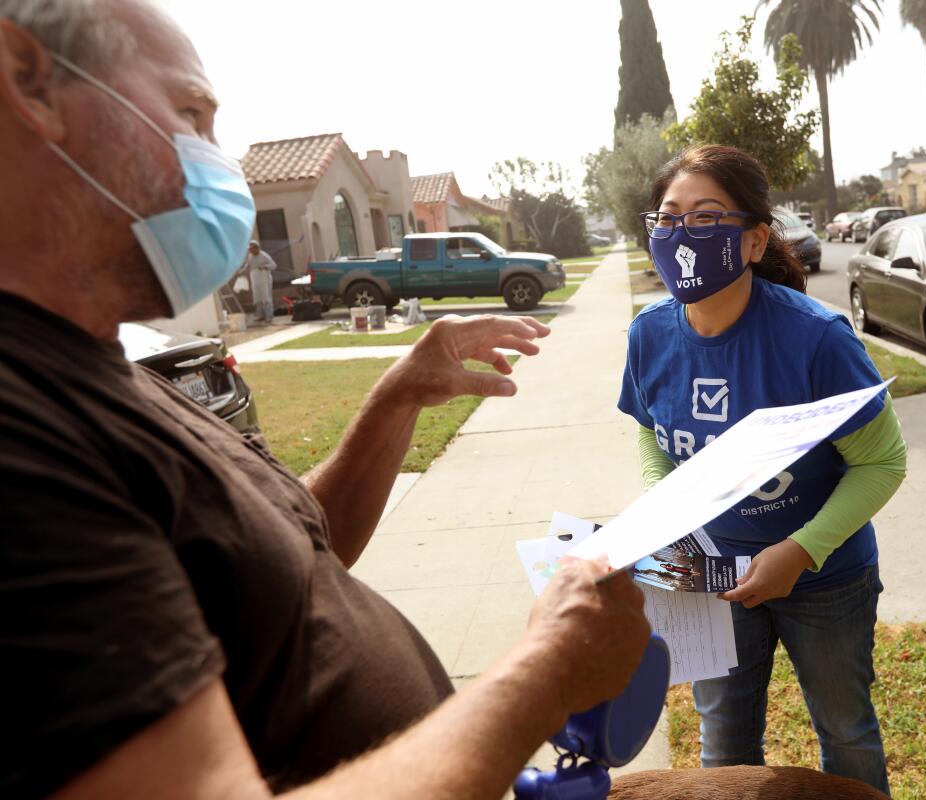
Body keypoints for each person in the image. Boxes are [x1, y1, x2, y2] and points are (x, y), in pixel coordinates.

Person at [0, 2, 651, 797]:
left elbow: (289, 556)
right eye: (190, 114)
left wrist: (397, 396)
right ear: (27, 79)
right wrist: (549, 672)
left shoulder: (101, 364)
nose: (220, 162)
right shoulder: (22, 427)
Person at [619, 145, 907, 795]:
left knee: (845, 730)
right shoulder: (649, 335)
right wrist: (667, 511)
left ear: (754, 241)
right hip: (711, 576)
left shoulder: (818, 339)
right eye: (668, 218)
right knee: (724, 742)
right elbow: (652, 436)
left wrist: (800, 551)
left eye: (706, 216)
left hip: (826, 576)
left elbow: (882, 462)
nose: (682, 234)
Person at [243, 239, 277, 323]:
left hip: (265, 280)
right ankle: (260, 315)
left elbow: (273, 265)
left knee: (266, 297)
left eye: (252, 249)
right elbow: (247, 265)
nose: (250, 251)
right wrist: (240, 272)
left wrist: (265, 266)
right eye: (249, 249)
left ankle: (269, 316)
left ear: (257, 248)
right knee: (257, 298)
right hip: (255, 279)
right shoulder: (250, 256)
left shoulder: (264, 256)